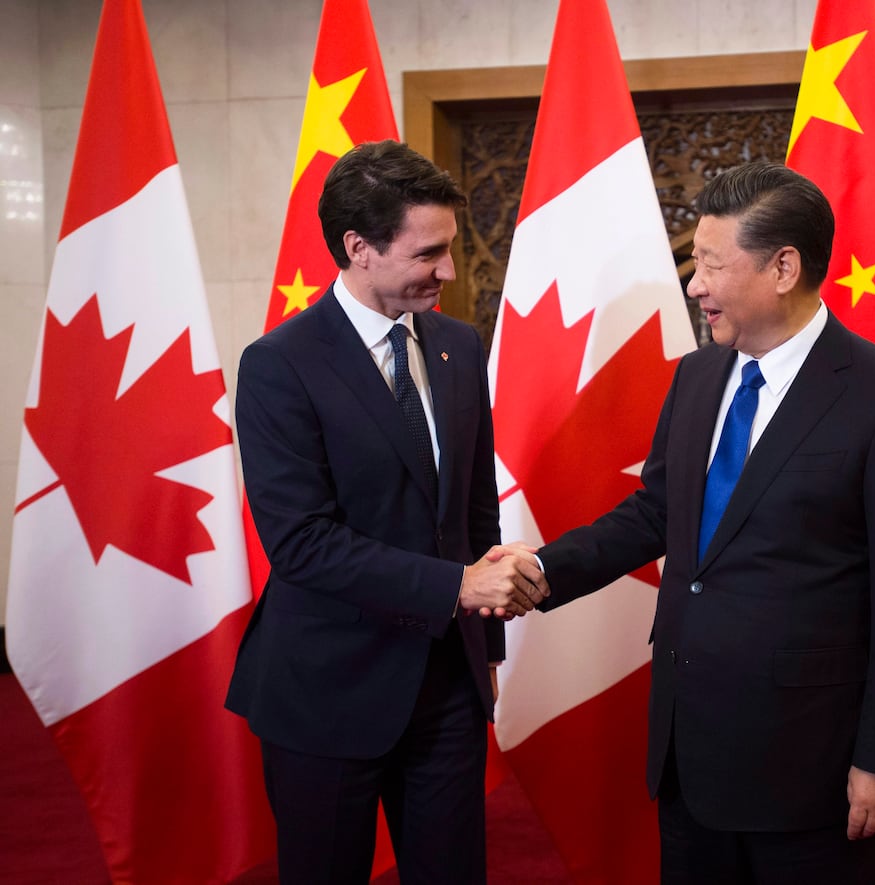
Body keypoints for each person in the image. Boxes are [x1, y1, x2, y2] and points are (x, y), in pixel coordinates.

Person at [524, 161, 875, 883]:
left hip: (809, 767)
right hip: (688, 751)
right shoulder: (698, 376)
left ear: (784, 266)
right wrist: (541, 570)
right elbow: (657, 511)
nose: (694, 286)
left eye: (711, 266)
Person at [226, 139, 547, 885]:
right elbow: (302, 544)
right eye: (429, 253)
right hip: (326, 691)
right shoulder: (280, 364)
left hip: (447, 688)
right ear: (358, 248)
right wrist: (458, 588)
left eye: (452, 249)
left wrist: (486, 651)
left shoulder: (460, 348)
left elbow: (472, 513)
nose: (450, 273)